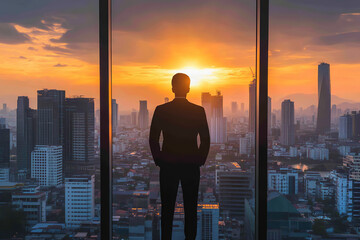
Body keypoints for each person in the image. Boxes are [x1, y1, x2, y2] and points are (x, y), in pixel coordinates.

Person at [149, 73, 210, 240]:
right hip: (191, 166)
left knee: (167, 208)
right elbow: (205, 140)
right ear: (189, 88)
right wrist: (199, 161)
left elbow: (153, 139)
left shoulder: (161, 110)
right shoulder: (198, 111)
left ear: (172, 88)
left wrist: (159, 160)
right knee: (191, 208)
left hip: (168, 166)